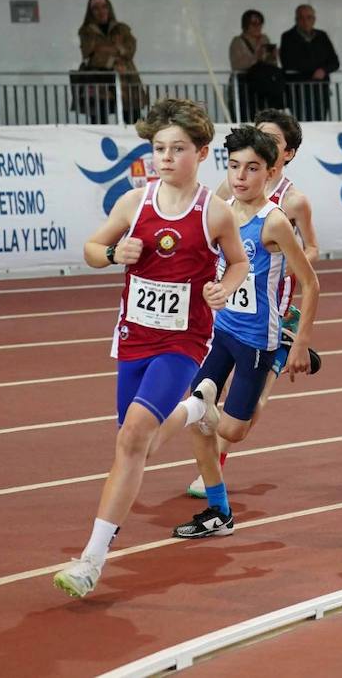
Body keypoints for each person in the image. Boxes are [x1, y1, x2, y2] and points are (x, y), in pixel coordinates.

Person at [52, 98, 249, 599]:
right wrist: (114, 252)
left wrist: (224, 288)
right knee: (132, 444)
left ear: (201, 153)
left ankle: (91, 560)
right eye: (158, 148)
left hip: (183, 340)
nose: (165, 157)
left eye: (177, 149)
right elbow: (92, 250)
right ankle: (197, 409)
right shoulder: (132, 204)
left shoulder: (215, 211)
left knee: (137, 434)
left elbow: (238, 264)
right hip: (134, 337)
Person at [173, 125, 320, 539]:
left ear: (270, 172)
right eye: (234, 166)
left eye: (251, 168)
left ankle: (279, 357)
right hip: (220, 331)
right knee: (198, 415)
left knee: (232, 430)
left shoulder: (273, 222)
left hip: (258, 339)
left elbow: (311, 283)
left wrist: (302, 342)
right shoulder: (220, 210)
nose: (240, 176)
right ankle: (219, 512)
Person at [75, 0, 147, 124]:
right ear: (91, 12)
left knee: (133, 118)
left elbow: (130, 50)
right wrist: (116, 54)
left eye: (104, 7)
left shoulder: (122, 29)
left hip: (126, 80)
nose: (101, 11)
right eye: (96, 8)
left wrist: (104, 49)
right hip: (100, 83)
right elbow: (91, 56)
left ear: (109, 8)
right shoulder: (86, 31)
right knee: (99, 119)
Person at [279, 4, 339, 122]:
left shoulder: (322, 36)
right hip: (299, 89)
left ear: (314, 19)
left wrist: (323, 70)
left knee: (320, 121)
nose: (305, 21)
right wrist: (313, 69)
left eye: (309, 17)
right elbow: (287, 63)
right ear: (296, 20)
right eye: (301, 18)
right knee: (302, 123)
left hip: (320, 88)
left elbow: (334, 62)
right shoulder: (287, 37)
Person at [227, 9, 283, 120]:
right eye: (253, 24)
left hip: (262, 87)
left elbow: (271, 64)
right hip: (244, 86)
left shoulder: (265, 39)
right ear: (245, 25)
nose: (257, 27)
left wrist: (273, 55)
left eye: (260, 23)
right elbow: (237, 64)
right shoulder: (238, 41)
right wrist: (256, 57)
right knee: (245, 116)